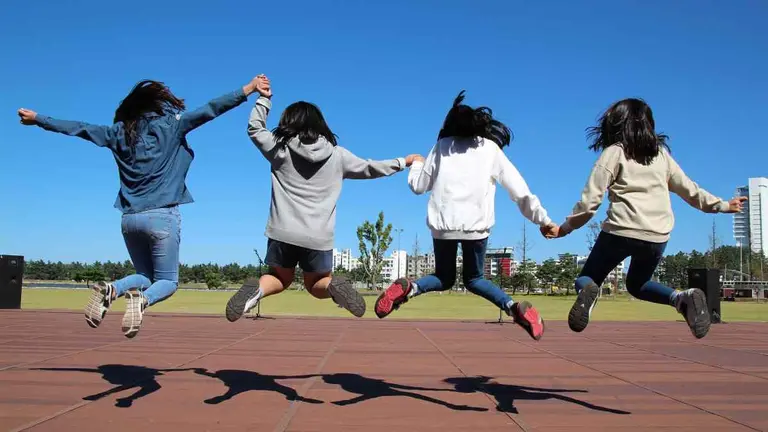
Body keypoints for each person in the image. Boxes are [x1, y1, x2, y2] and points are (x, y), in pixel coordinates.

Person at [18, 76, 263, 337]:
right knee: (167, 281)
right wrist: (248, 89)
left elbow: (80, 128)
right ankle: (141, 301)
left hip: (129, 219)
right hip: (161, 216)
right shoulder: (172, 125)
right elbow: (212, 109)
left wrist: (38, 119)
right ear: (157, 105)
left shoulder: (117, 132)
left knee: (145, 276)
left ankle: (112, 289)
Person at [542, 98, 746, 339]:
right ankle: (682, 298)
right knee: (637, 284)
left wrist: (565, 229)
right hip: (656, 237)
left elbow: (590, 203)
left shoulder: (614, 153)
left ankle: (589, 290)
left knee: (588, 278)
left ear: (615, 124)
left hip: (620, 231)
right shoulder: (661, 156)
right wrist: (722, 205)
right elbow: (691, 191)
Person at [225, 75, 421, 321]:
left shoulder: (280, 149)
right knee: (317, 284)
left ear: (289, 123)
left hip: (282, 232)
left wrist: (263, 100)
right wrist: (403, 162)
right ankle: (333, 288)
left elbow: (255, 129)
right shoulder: (338, 156)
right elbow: (371, 168)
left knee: (279, 278)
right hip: (318, 236)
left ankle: (256, 291)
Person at [373, 91, 553, 341]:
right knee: (474, 278)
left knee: (443, 277)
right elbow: (518, 190)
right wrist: (543, 220)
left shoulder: (441, 148)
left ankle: (409, 288)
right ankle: (513, 308)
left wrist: (416, 163)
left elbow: (418, 186)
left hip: (443, 226)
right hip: (476, 229)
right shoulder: (490, 149)